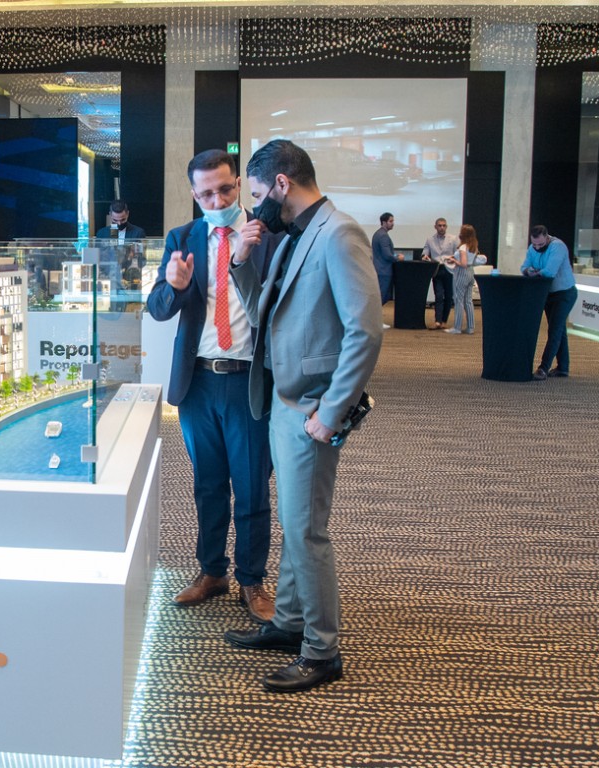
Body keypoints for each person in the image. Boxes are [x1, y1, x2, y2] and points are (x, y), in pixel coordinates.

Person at [224, 139, 382, 693]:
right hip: (280, 402)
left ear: (282, 184)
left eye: (258, 193)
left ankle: (322, 650)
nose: (256, 205)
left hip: (311, 409)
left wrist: (331, 413)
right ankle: (289, 622)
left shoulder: (339, 233)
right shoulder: (293, 235)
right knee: (293, 525)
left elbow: (365, 332)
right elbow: (261, 314)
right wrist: (240, 261)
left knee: (307, 533)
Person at [146, 149, 278, 623]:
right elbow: (158, 308)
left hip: (249, 383)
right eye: (206, 194)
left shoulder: (268, 236)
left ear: (238, 184)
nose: (216, 200)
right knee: (207, 485)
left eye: (224, 189)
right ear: (194, 194)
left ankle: (252, 579)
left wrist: (246, 260)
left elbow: (278, 307)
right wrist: (175, 285)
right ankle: (212, 571)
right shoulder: (182, 238)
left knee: (252, 486)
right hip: (198, 381)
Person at [521, 225, 578, 380]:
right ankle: (563, 368)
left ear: (547, 237)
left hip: (565, 293)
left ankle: (543, 368)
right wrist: (529, 271)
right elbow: (524, 267)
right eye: (534, 244)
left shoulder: (557, 247)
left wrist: (533, 272)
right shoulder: (532, 248)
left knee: (554, 330)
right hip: (547, 293)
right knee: (559, 330)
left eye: (540, 244)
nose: (537, 248)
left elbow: (549, 271)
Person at [421, 217, 459, 330]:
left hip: (449, 269)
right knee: (438, 295)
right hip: (437, 269)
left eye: (444, 225)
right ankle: (437, 321)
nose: (442, 227)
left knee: (448, 296)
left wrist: (453, 258)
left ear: (446, 227)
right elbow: (425, 252)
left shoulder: (453, 238)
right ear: (435, 227)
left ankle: (444, 321)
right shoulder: (430, 239)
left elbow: (458, 253)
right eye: (439, 225)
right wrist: (425, 256)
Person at [444, 224, 482, 335]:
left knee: (458, 300)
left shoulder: (463, 247)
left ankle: (457, 327)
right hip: (470, 272)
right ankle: (470, 327)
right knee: (468, 301)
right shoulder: (474, 246)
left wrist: (454, 261)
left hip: (461, 273)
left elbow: (463, 264)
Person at [371, 212, 402, 330]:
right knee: (382, 296)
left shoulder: (378, 234)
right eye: (390, 221)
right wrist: (397, 258)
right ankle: (375, 321)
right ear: (384, 222)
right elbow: (387, 255)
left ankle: (375, 320)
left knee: (383, 295)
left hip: (380, 269)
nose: (393, 223)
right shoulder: (383, 236)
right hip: (383, 270)